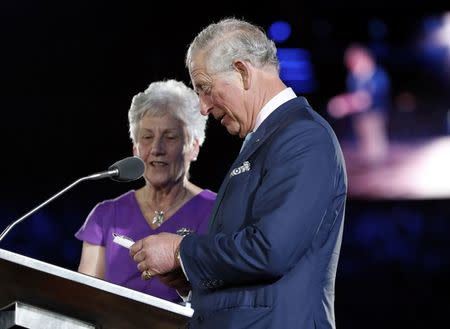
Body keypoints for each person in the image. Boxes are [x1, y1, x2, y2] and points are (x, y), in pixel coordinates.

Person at [130, 18, 347, 329]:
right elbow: (251, 265)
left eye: (205, 88)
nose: (203, 107)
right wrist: (189, 276)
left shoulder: (303, 137)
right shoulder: (265, 140)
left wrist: (181, 251)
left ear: (243, 72)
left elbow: (270, 250)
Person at [75, 79, 216, 303]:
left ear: (194, 147)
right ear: (136, 148)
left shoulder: (217, 211)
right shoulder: (105, 215)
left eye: (170, 137)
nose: (157, 149)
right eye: (147, 137)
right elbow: (82, 300)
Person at [327, 43, 391, 166]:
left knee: (374, 137)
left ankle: (378, 162)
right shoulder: (353, 77)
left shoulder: (378, 75)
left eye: (357, 62)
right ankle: (370, 162)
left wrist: (347, 105)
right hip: (360, 114)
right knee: (364, 138)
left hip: (375, 112)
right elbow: (354, 95)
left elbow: (369, 98)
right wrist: (343, 103)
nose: (355, 66)